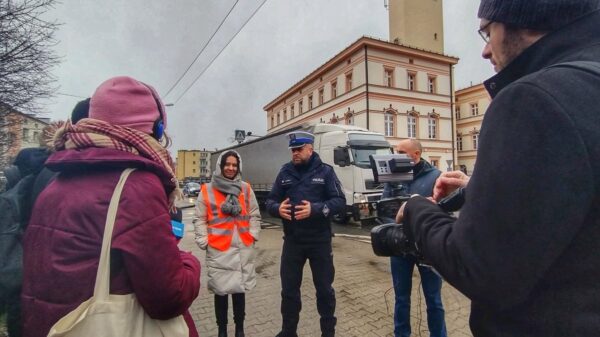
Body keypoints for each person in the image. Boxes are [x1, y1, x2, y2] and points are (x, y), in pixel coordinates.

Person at [397, 1, 600, 336]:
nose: (486, 50)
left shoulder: (531, 98)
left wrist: (417, 210)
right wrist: (483, 187)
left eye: (488, 31)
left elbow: (480, 268)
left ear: (525, 20)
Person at [20, 76, 201, 337]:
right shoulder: (136, 184)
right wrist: (189, 262)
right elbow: (169, 297)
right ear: (157, 128)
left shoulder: (56, 181)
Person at [266, 131, 345, 337]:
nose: (295, 153)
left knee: (325, 290)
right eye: (293, 150)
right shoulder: (285, 172)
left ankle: (328, 333)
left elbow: (339, 201)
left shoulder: (326, 172)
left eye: (299, 149)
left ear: (310, 149)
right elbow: (270, 200)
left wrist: (316, 209)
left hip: (319, 240)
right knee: (289, 291)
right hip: (293, 241)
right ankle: (288, 331)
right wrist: (277, 209)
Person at [194, 150, 261, 337]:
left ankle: (240, 329)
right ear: (220, 166)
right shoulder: (207, 189)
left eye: (234, 165)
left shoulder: (246, 188)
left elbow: (254, 214)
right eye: (227, 164)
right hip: (219, 248)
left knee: (240, 292)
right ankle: (221, 331)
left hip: (242, 248)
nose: (231, 168)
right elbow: (199, 219)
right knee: (220, 293)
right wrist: (203, 240)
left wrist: (253, 234)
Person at [382, 139, 445, 337]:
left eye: (401, 152)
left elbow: (444, 213)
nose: (396, 155)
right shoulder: (393, 176)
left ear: (416, 155)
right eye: (395, 151)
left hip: (428, 249)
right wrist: (394, 228)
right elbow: (385, 207)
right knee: (401, 299)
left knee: (434, 300)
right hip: (400, 248)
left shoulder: (436, 176)